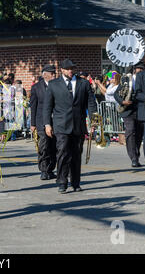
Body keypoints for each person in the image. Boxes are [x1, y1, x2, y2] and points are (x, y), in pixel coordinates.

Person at [43, 59, 97, 193]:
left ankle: (76, 182)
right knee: (62, 152)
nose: (70, 71)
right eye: (67, 69)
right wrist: (47, 124)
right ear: (62, 70)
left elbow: (91, 104)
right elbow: (47, 107)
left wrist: (94, 122)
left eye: (72, 68)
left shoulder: (83, 83)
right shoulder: (53, 84)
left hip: (78, 124)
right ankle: (62, 181)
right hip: (61, 125)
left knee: (76, 154)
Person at [114, 62, 145, 167]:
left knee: (139, 134)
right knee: (130, 131)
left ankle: (136, 154)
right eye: (139, 69)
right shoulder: (126, 79)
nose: (140, 70)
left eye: (142, 69)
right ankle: (133, 158)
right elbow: (116, 93)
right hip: (128, 110)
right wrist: (122, 102)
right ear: (135, 69)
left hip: (140, 110)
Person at [30, 65, 57, 180]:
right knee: (44, 146)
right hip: (41, 121)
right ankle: (43, 169)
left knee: (54, 146)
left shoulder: (57, 86)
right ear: (45, 74)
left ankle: (51, 169)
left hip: (55, 120)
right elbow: (33, 106)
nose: (54, 75)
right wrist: (32, 123)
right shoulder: (36, 87)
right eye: (52, 73)